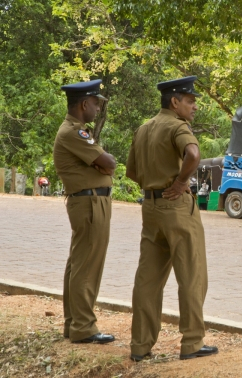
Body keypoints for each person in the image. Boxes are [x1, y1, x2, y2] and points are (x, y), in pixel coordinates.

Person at [126, 76, 217, 361]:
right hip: (176, 207)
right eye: (190, 101)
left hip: (150, 210)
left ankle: (140, 346)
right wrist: (179, 183)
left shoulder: (143, 129)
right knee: (191, 274)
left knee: (147, 279)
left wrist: (154, 183)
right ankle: (191, 342)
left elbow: (130, 172)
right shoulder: (178, 127)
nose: (194, 107)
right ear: (174, 102)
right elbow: (193, 154)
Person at [53, 79, 117, 344]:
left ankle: (74, 324)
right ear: (83, 104)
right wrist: (102, 166)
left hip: (88, 202)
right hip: (90, 203)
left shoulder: (76, 130)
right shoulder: (73, 132)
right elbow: (109, 163)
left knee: (79, 263)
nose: (97, 108)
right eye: (95, 103)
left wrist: (100, 167)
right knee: (87, 265)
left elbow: (103, 165)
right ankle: (84, 327)